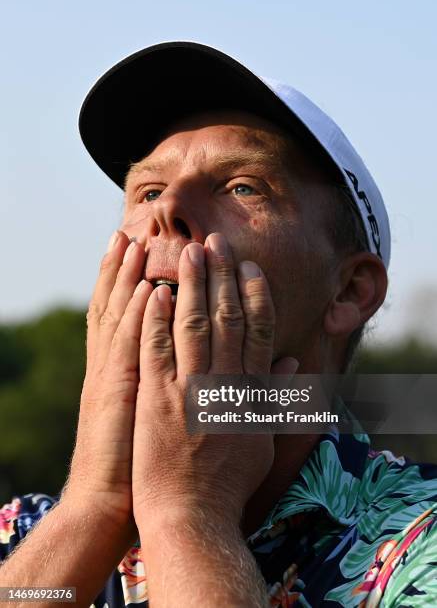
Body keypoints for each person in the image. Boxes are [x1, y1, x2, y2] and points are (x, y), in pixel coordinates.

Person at [1, 41, 436, 608]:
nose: (167, 208)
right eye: (148, 190)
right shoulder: (19, 533)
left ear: (349, 291)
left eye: (242, 187)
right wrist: (91, 505)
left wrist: (187, 515)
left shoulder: (416, 538)